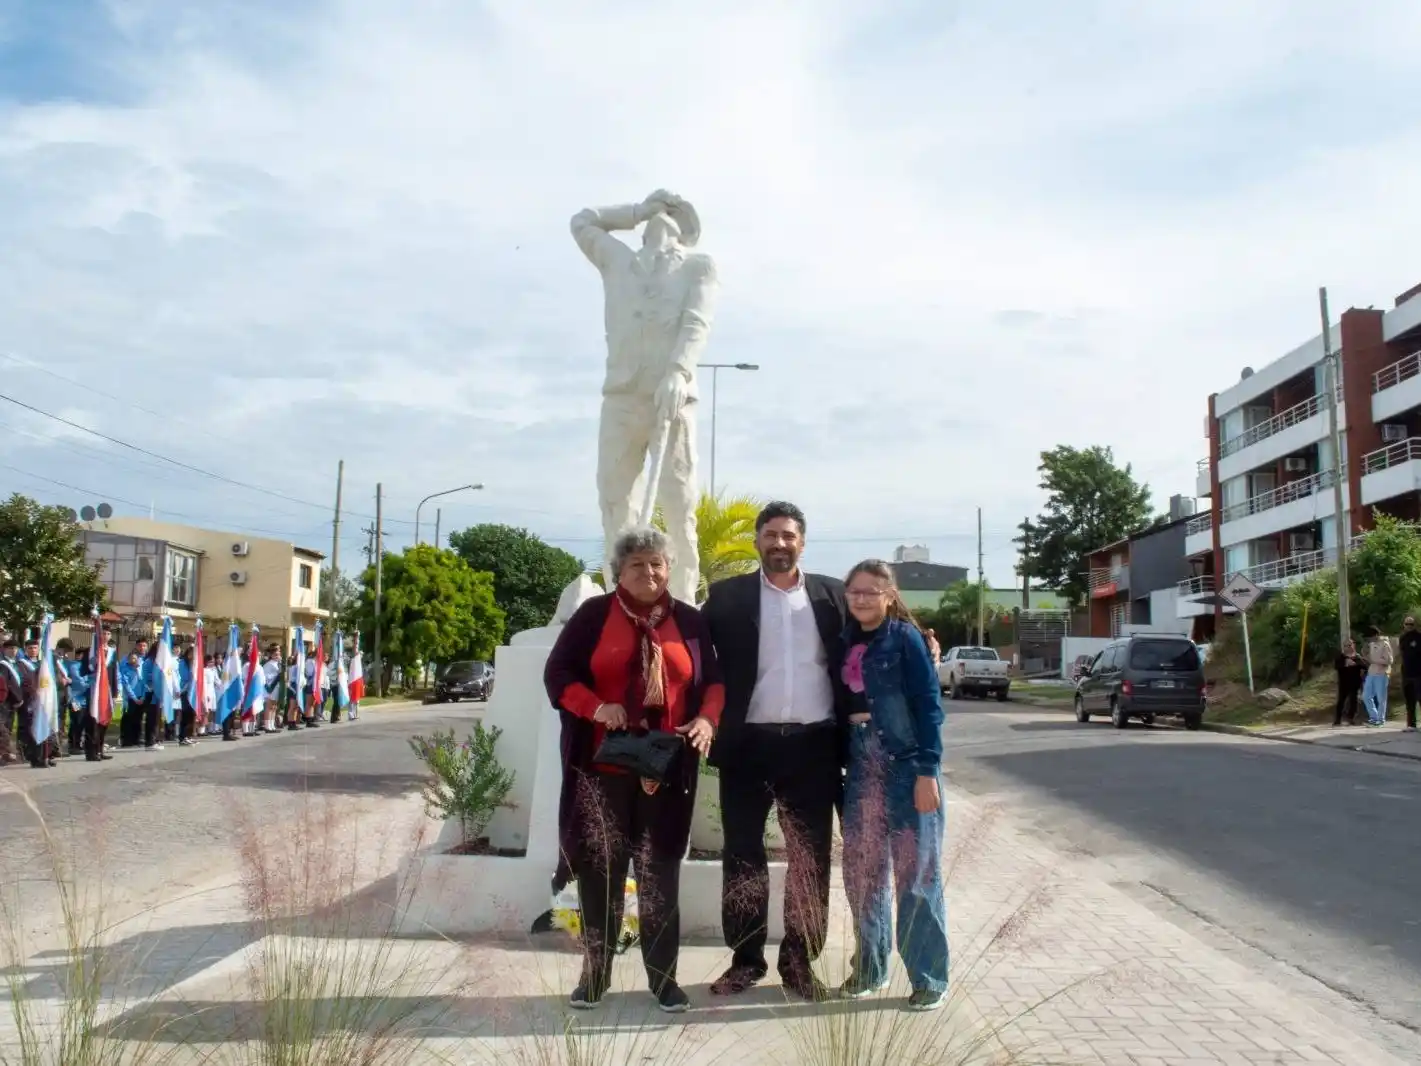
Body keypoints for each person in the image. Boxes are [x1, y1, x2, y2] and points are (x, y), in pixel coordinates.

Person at [543, 526, 723, 1013]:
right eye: (638, 564)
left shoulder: (689, 620)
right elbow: (557, 676)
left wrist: (708, 718)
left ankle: (664, 980)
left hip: (667, 771)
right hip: (604, 770)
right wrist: (595, 706)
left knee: (660, 875)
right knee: (601, 873)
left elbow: (714, 682)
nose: (649, 572)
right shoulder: (593, 616)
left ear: (670, 568)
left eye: (657, 563)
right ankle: (594, 976)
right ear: (619, 571)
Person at [701, 501, 851, 1001]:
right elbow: (698, 661)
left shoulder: (833, 596)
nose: (779, 543)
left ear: (802, 542)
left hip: (814, 748)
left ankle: (799, 962)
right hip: (747, 747)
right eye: (770, 534)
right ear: (757, 542)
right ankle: (745, 961)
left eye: (788, 535)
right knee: (743, 857)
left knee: (810, 860)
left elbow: (872, 640)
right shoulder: (726, 597)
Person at [571, 190, 718, 604]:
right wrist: (635, 212)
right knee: (615, 500)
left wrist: (678, 370)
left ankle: (683, 600)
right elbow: (582, 220)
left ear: (686, 228)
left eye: (672, 212)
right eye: (658, 210)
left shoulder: (698, 266)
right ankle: (621, 601)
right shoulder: (617, 260)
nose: (662, 217)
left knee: (678, 503)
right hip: (622, 395)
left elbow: (696, 322)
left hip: (672, 396)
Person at [836, 560, 948, 1011]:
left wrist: (927, 771)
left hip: (906, 764)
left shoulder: (905, 639)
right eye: (854, 591)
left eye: (871, 591)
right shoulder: (842, 639)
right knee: (863, 874)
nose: (861, 598)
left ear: (889, 594)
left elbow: (929, 705)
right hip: (860, 763)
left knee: (915, 874)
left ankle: (929, 977)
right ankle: (870, 968)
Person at [1362, 625, 1393, 728]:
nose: (1369, 639)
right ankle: (1374, 717)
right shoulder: (1371, 644)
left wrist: (1374, 660)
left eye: (1370, 637)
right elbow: (1370, 659)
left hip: (1382, 673)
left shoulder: (1385, 644)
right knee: (1366, 696)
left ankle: (1380, 720)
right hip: (1371, 672)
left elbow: (1389, 660)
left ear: (1376, 635)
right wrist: (1365, 656)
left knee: (1381, 698)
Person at [1333, 638, 1364, 727]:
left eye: (1350, 645)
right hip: (1343, 682)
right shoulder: (1341, 657)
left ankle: (1351, 718)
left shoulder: (1357, 656)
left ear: (1353, 645)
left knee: (1353, 700)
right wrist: (1346, 664)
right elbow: (1336, 666)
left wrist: (1355, 663)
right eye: (1346, 646)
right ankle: (1337, 719)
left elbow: (1364, 666)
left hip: (1355, 682)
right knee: (1341, 701)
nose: (1348, 647)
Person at [1399, 616, 1421, 732]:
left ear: (1414, 625)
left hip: (1418, 673)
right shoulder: (1402, 638)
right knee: (1409, 700)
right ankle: (1411, 724)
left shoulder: (1419, 637)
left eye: (1411, 624)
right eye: (1407, 624)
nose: (1409, 626)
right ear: (1404, 625)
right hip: (1406, 673)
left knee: (1420, 698)